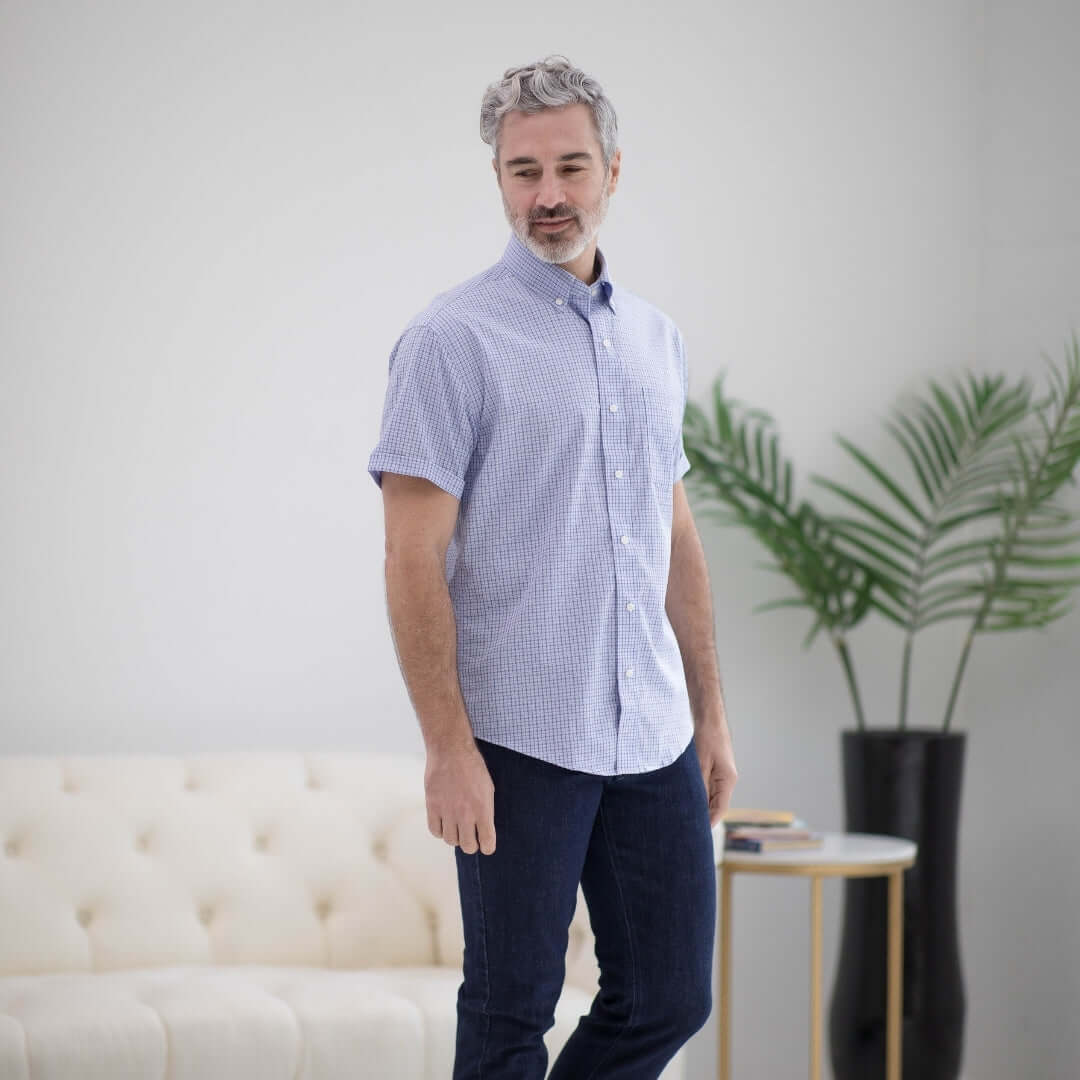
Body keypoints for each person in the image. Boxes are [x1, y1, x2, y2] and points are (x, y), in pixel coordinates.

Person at [367, 54, 738, 1080]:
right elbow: (410, 555)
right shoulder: (453, 340)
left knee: (669, 996)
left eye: (571, 167)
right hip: (520, 739)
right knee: (508, 1016)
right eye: (524, 172)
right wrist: (447, 747)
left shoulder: (654, 341)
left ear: (614, 170)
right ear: (498, 179)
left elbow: (674, 537)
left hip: (652, 732)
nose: (549, 195)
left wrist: (709, 714)